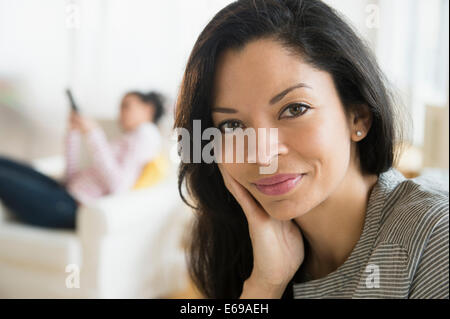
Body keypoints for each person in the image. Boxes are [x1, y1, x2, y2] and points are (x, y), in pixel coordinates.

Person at [173, 0, 449, 299]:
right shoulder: (243, 248)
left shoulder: (435, 239)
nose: (263, 155)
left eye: (294, 109)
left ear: (358, 116)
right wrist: (266, 285)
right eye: (232, 126)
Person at [0, 90, 164, 229]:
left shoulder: (146, 134)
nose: (120, 113)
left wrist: (94, 134)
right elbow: (71, 177)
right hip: (64, 191)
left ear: (148, 109)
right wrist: (74, 134)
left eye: (126, 106)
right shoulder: (126, 138)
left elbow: (118, 186)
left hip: (70, 206)